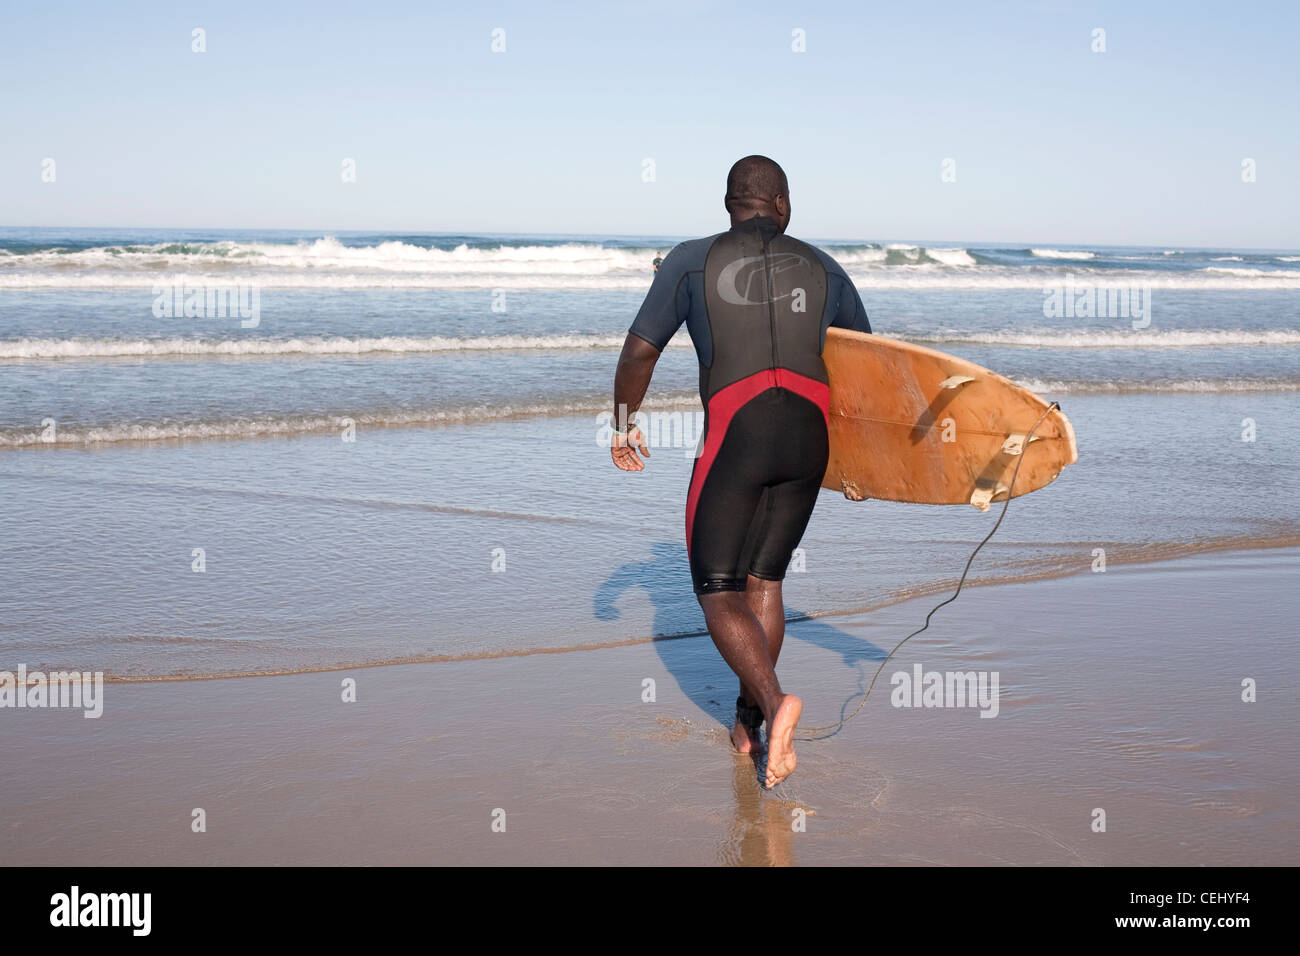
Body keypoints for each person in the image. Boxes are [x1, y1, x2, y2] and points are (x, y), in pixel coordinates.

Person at [609, 155, 871, 788]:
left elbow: (642, 350)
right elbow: (868, 367)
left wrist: (622, 422)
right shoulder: (826, 266)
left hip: (738, 434)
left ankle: (777, 706)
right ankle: (747, 725)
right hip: (809, 440)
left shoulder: (689, 260)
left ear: (729, 203)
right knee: (767, 579)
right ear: (782, 203)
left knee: (718, 589)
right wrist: (868, 464)